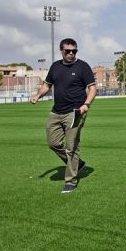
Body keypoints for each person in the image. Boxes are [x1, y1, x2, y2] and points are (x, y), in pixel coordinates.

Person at [31, 38, 96, 194]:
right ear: (61, 50)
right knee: (53, 143)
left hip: (75, 112)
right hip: (56, 111)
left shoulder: (83, 66)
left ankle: (70, 181)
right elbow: (47, 85)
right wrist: (38, 95)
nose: (71, 54)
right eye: (68, 51)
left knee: (71, 146)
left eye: (74, 51)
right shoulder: (55, 67)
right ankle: (77, 164)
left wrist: (86, 104)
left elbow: (92, 88)